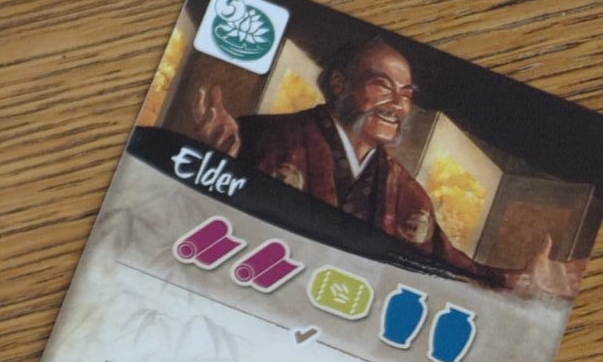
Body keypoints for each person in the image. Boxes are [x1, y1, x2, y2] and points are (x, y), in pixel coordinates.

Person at [187, 38, 579, 295]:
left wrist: (521, 282)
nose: (398, 105)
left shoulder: (408, 196)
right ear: (339, 84)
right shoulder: (262, 138)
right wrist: (210, 162)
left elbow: (446, 267)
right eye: (383, 86)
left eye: (406, 94)